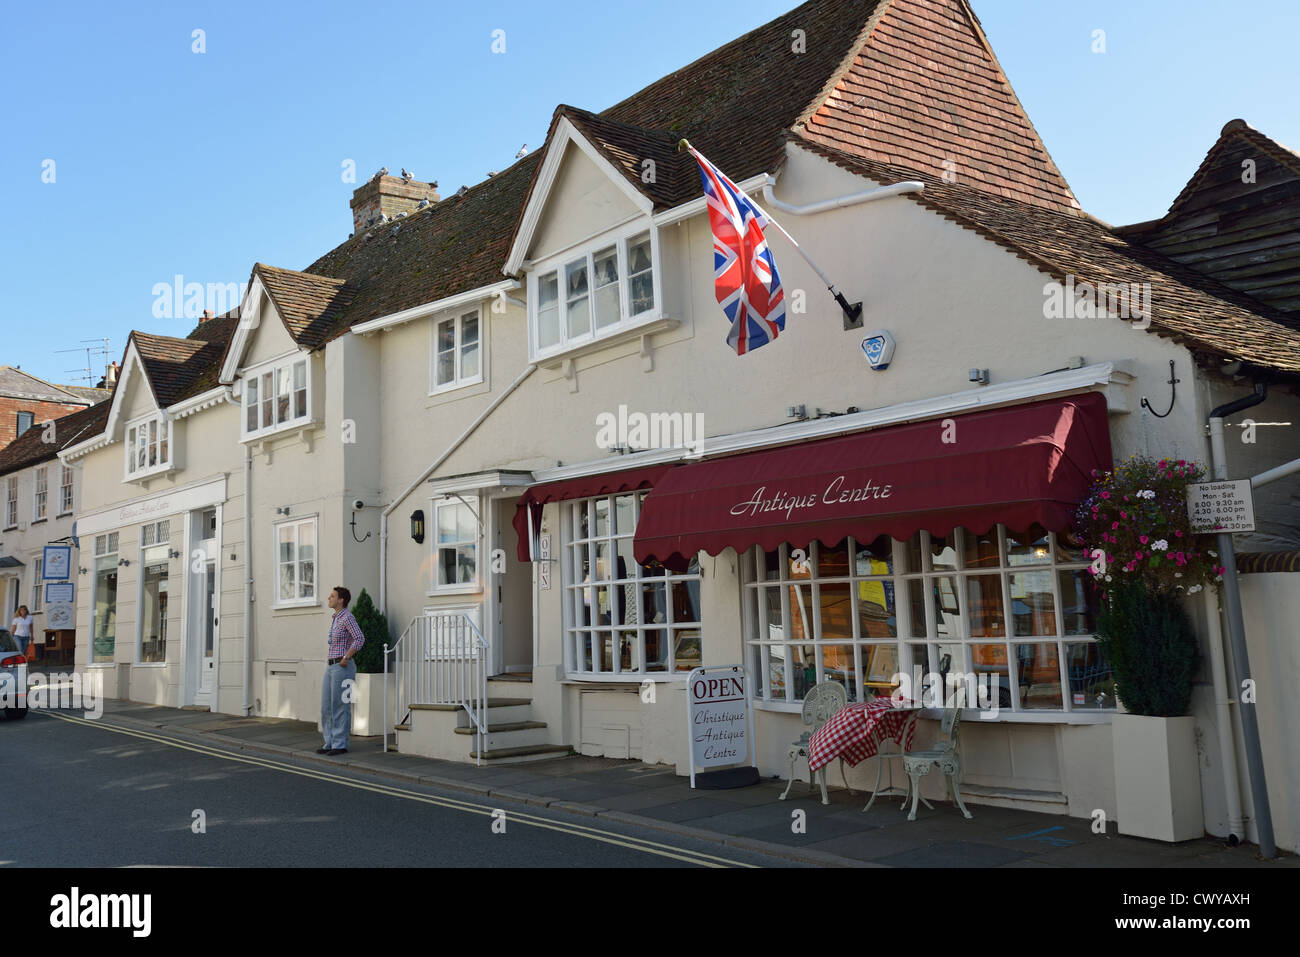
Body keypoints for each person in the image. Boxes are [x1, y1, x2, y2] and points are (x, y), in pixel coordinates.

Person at [319, 586, 365, 756]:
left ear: (341, 600)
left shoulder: (347, 617)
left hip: (342, 667)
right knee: (326, 707)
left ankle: (340, 744)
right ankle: (329, 742)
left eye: (332, 596)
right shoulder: (336, 618)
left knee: (340, 706)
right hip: (330, 666)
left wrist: (346, 657)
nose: (329, 598)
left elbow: (359, 638)